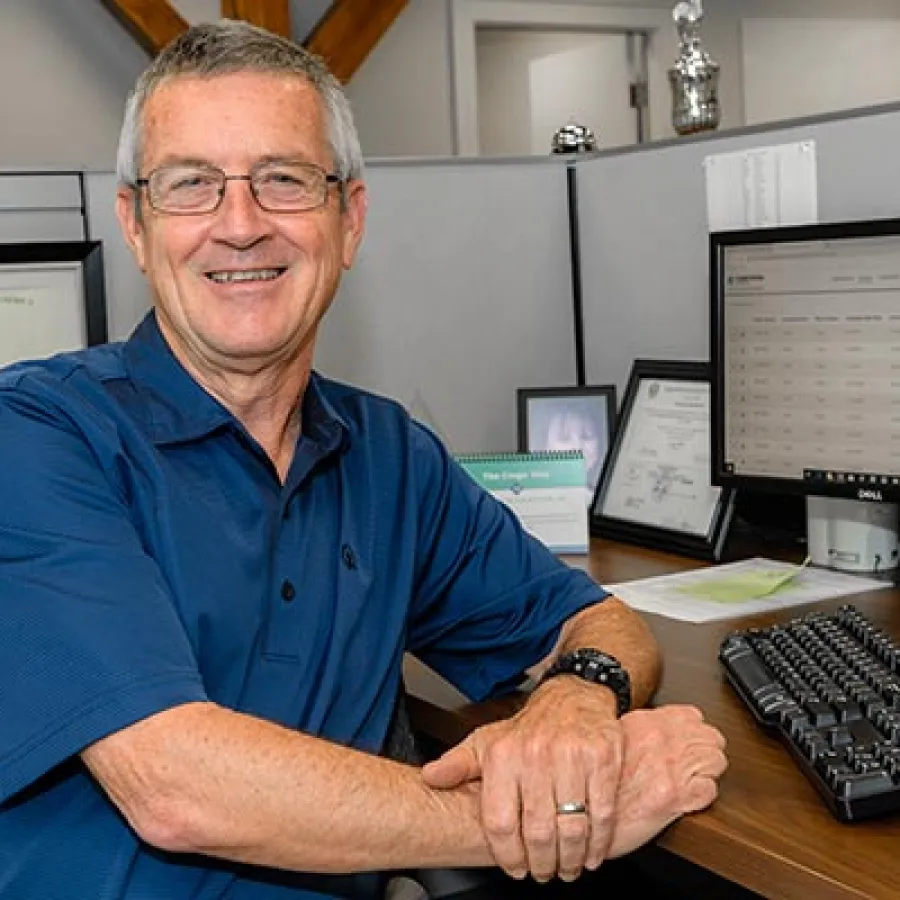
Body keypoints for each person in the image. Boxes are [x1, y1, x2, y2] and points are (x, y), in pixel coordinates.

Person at [0, 19, 727, 900]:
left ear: (349, 220)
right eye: (192, 185)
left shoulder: (388, 457)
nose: (241, 225)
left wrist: (576, 704)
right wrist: (562, 818)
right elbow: (175, 787)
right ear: (138, 225)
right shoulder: (39, 433)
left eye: (285, 180)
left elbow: (599, 623)